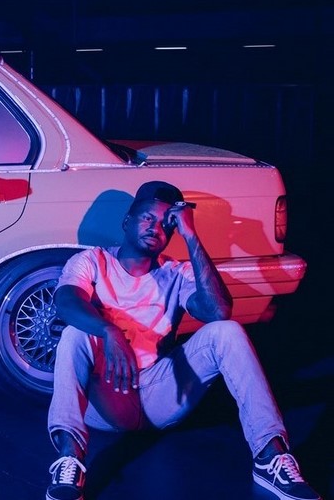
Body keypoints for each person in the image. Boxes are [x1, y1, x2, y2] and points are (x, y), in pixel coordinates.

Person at [44, 180, 321, 500]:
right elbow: (66, 301)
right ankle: (69, 461)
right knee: (75, 333)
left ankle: (270, 457)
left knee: (227, 331)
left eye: (167, 224)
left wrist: (191, 236)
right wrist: (109, 330)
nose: (155, 227)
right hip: (105, 399)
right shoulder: (93, 261)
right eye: (148, 218)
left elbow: (218, 311)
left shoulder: (176, 273)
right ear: (127, 222)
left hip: (159, 396)